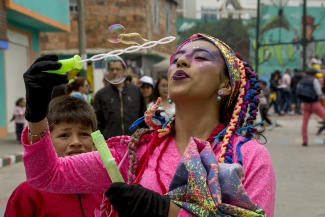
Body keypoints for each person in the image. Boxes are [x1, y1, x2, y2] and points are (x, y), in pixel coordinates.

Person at [22, 34, 275, 217]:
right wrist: (36, 116)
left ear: (226, 85)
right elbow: (46, 176)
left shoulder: (248, 157)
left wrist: (166, 210)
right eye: (177, 59)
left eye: (200, 57)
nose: (181, 63)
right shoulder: (133, 154)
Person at [5, 95, 102, 216]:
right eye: (64, 135)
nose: (76, 142)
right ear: (47, 143)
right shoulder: (28, 193)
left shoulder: (105, 189)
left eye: (84, 134)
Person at [94, 57, 146, 139]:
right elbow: (97, 122)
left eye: (118, 69)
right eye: (112, 69)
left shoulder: (136, 91)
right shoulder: (101, 94)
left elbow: (144, 117)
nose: (115, 72)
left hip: (134, 142)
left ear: (123, 71)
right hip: (111, 143)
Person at [296, 70, 325, 146]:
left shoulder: (302, 80)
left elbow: (298, 91)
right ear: (314, 74)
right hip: (315, 103)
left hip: (306, 104)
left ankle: (305, 140)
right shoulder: (314, 80)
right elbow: (319, 92)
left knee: (305, 123)